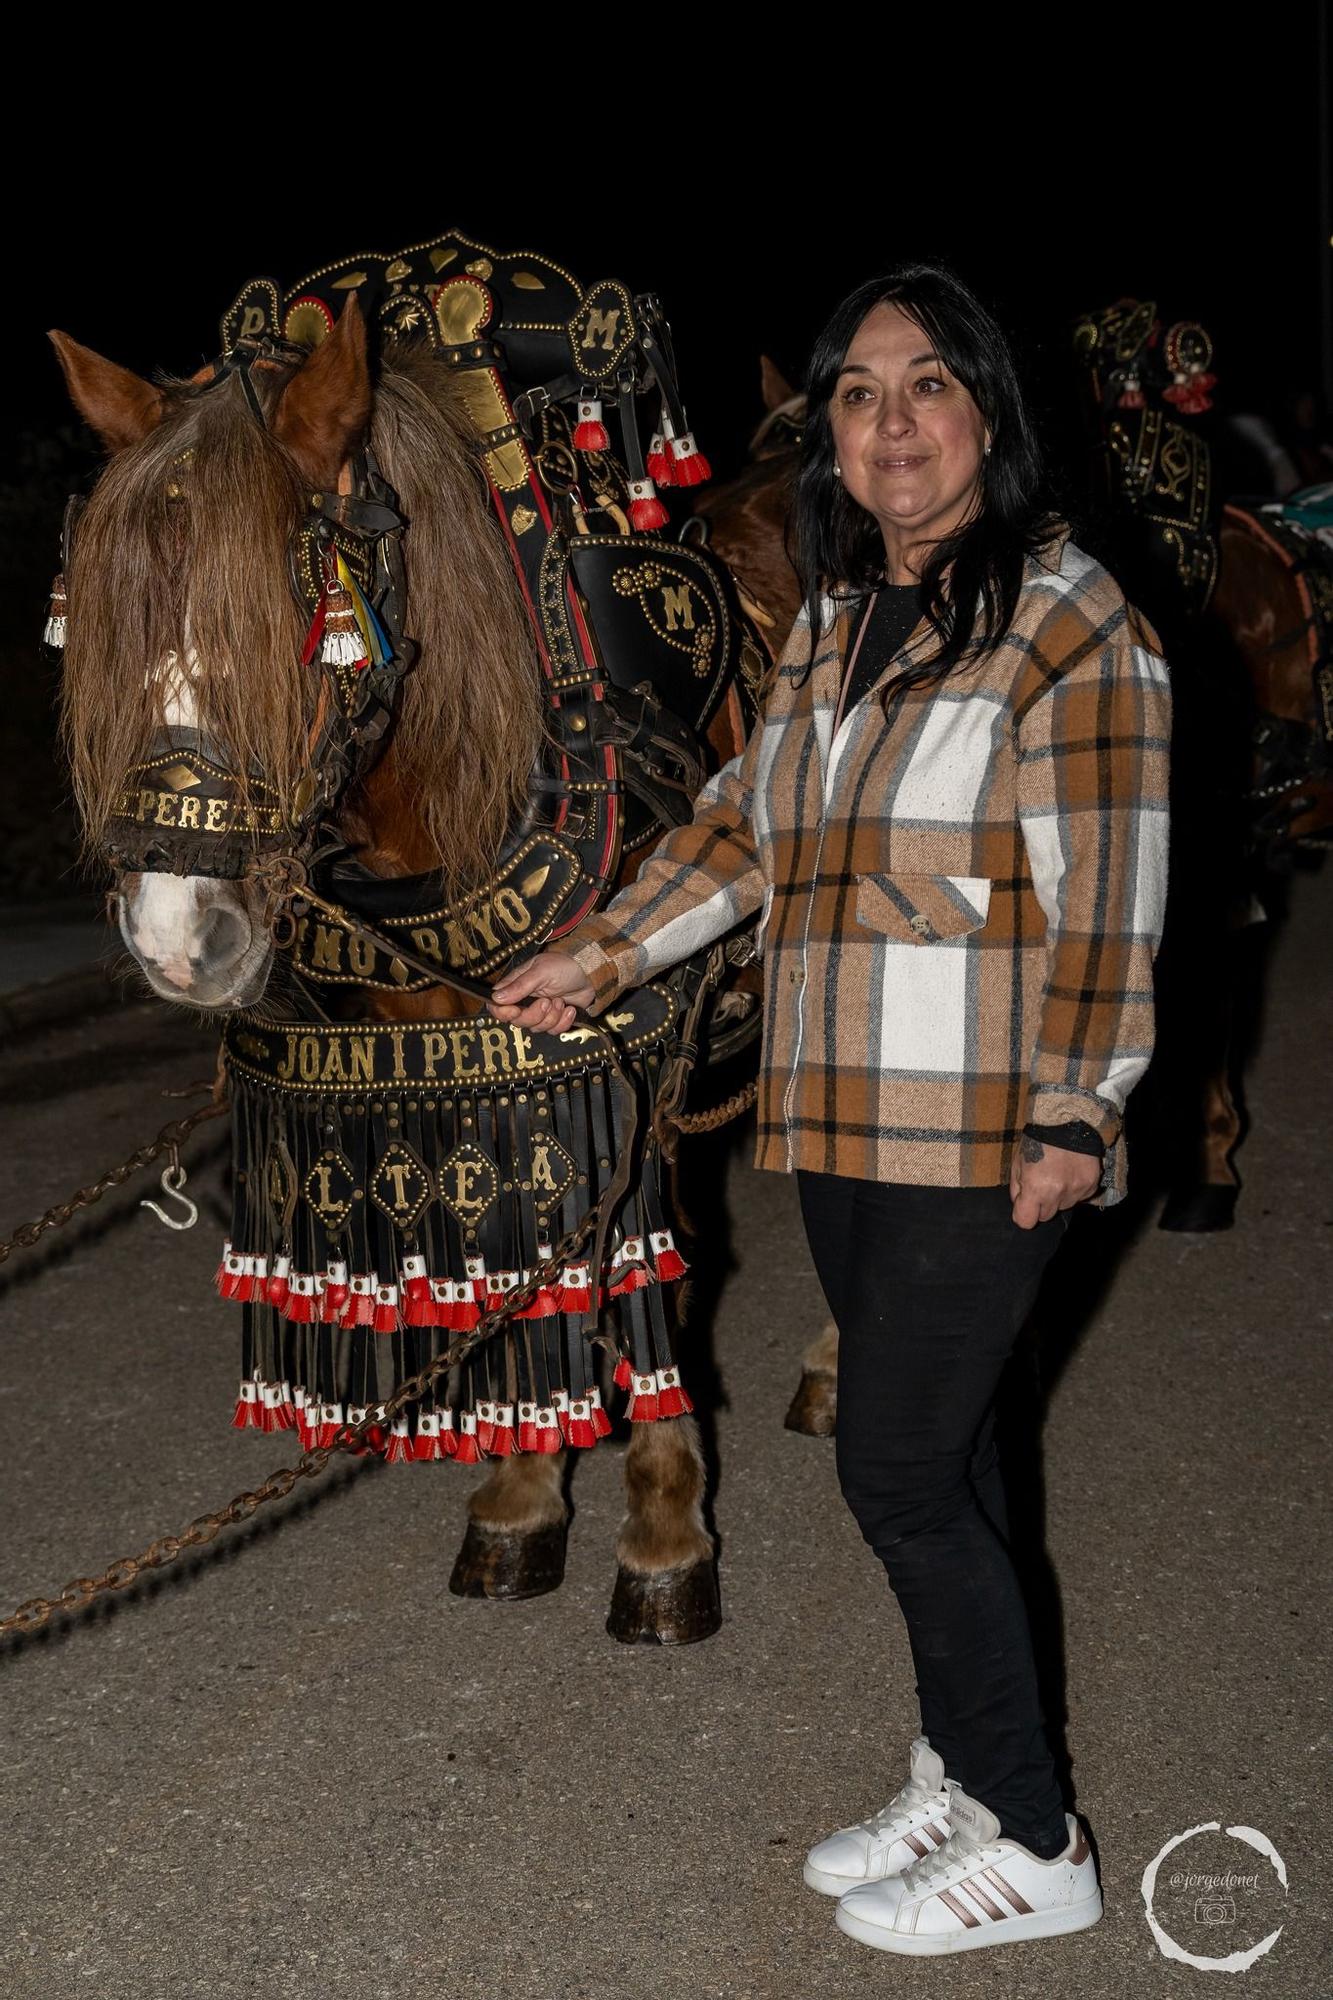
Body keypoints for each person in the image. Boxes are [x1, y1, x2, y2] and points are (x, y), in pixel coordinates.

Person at [491, 262, 1172, 1959]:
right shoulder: (832, 618)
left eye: (926, 385)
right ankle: (960, 1764)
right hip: (841, 1122)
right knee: (955, 1455)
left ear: (990, 414)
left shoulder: (1072, 619)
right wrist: (604, 950)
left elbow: (1112, 897)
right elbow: (742, 831)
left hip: (981, 1123)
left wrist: (1078, 1111)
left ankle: (1032, 1835)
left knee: (896, 1475)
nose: (890, 424)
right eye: (858, 394)